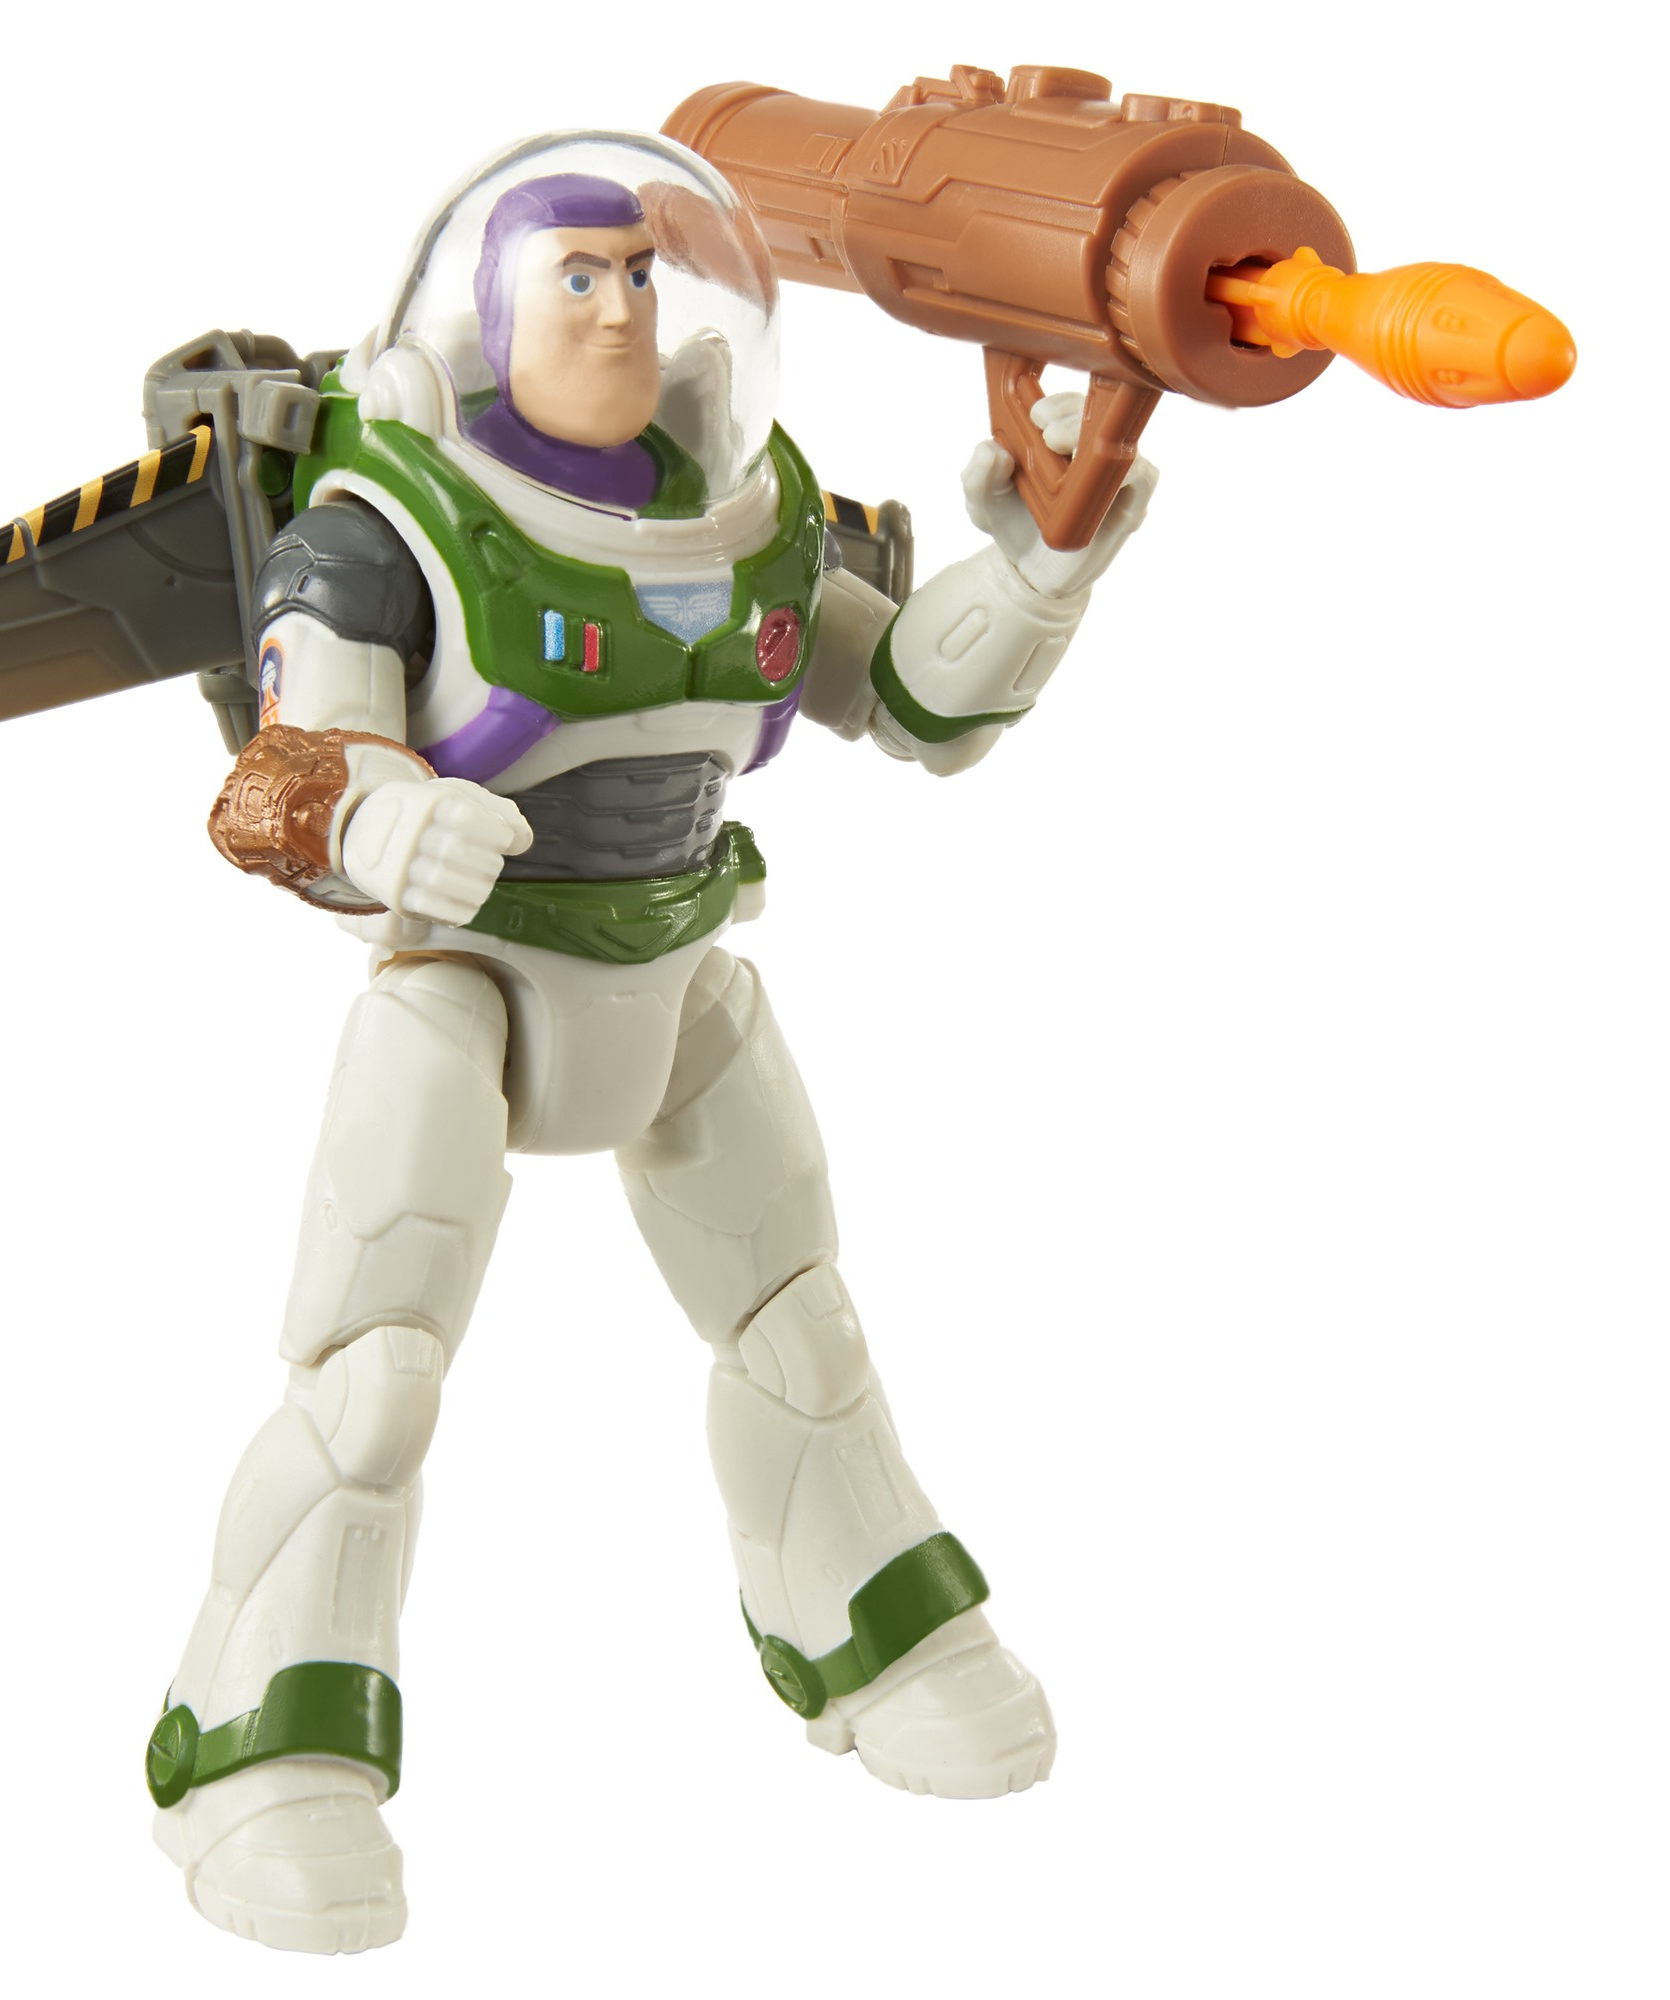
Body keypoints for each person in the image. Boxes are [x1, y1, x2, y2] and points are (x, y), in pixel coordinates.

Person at [149, 134, 1156, 1955]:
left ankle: (870, 1636)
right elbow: (275, 780)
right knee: (374, 1379)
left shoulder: (743, 509)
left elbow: (916, 702)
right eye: (576, 278)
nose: (619, 308)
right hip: (463, 980)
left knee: (799, 1323)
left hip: (681, 969)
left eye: (637, 273)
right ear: (489, 312)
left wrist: (1044, 561)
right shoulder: (383, 524)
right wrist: (380, 817)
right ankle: (256, 1749)